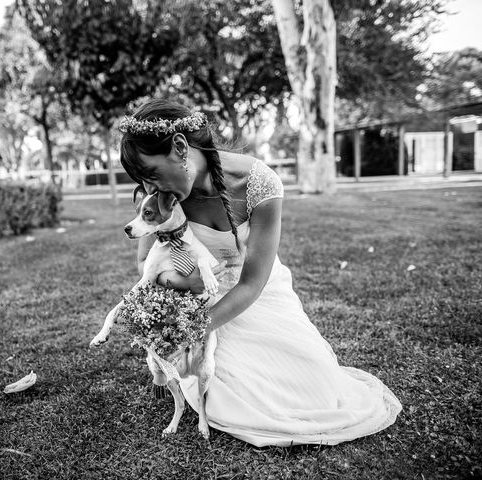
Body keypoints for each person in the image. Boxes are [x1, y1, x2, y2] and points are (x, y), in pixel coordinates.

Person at [118, 98, 402, 447]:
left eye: (153, 174)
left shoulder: (259, 183)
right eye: (144, 181)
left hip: (254, 297)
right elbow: (144, 263)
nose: (152, 189)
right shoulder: (163, 197)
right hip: (200, 296)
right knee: (232, 401)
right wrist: (180, 294)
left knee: (317, 389)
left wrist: (192, 330)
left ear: (179, 147)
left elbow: (253, 282)